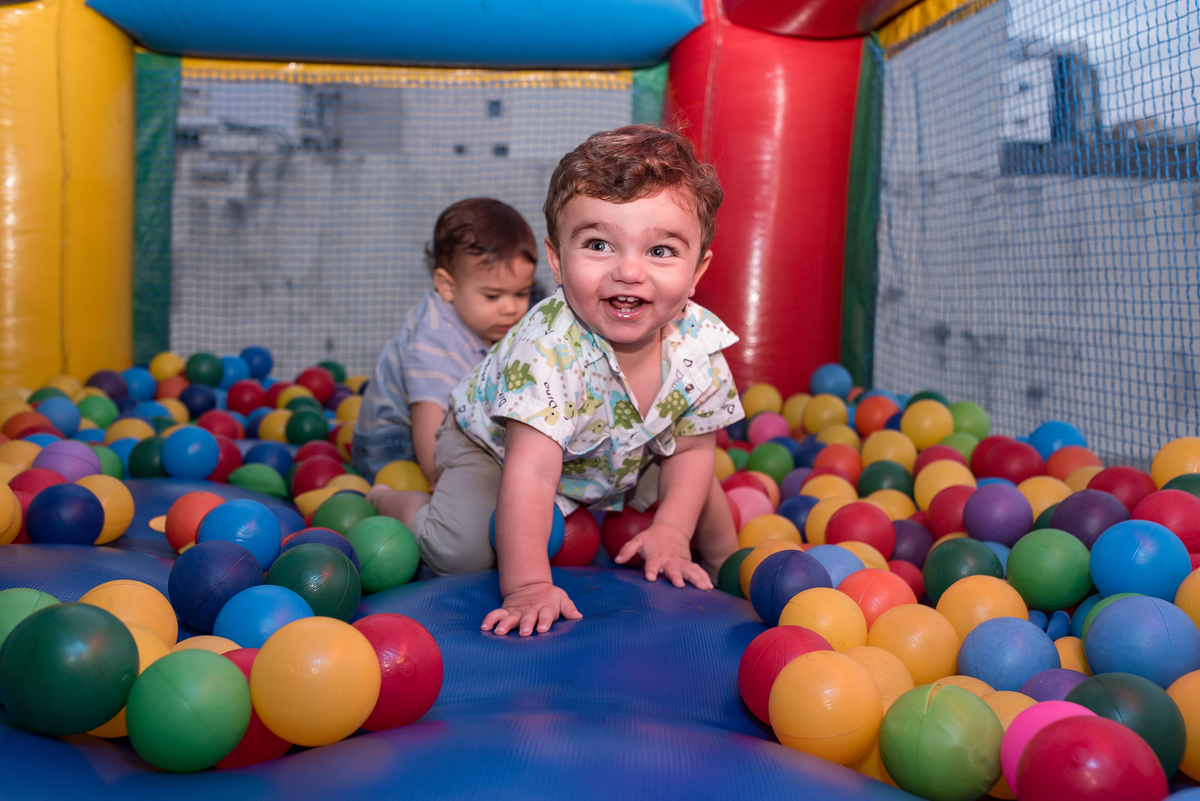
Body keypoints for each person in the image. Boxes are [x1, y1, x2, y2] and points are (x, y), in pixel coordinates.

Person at [368, 124, 744, 637]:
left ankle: (728, 570)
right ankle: (396, 501)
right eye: (598, 244)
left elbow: (696, 449)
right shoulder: (548, 350)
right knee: (462, 552)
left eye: (660, 251)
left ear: (698, 270)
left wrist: (672, 532)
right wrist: (526, 587)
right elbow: (532, 475)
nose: (629, 272)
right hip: (496, 449)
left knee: (701, 487)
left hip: (613, 450)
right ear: (556, 260)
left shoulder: (699, 346)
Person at [353, 198, 537, 485]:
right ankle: (385, 498)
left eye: (521, 293)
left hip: (448, 422)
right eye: (492, 296)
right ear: (447, 286)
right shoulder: (435, 340)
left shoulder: (484, 320)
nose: (510, 308)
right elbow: (429, 429)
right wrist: (440, 483)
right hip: (393, 447)